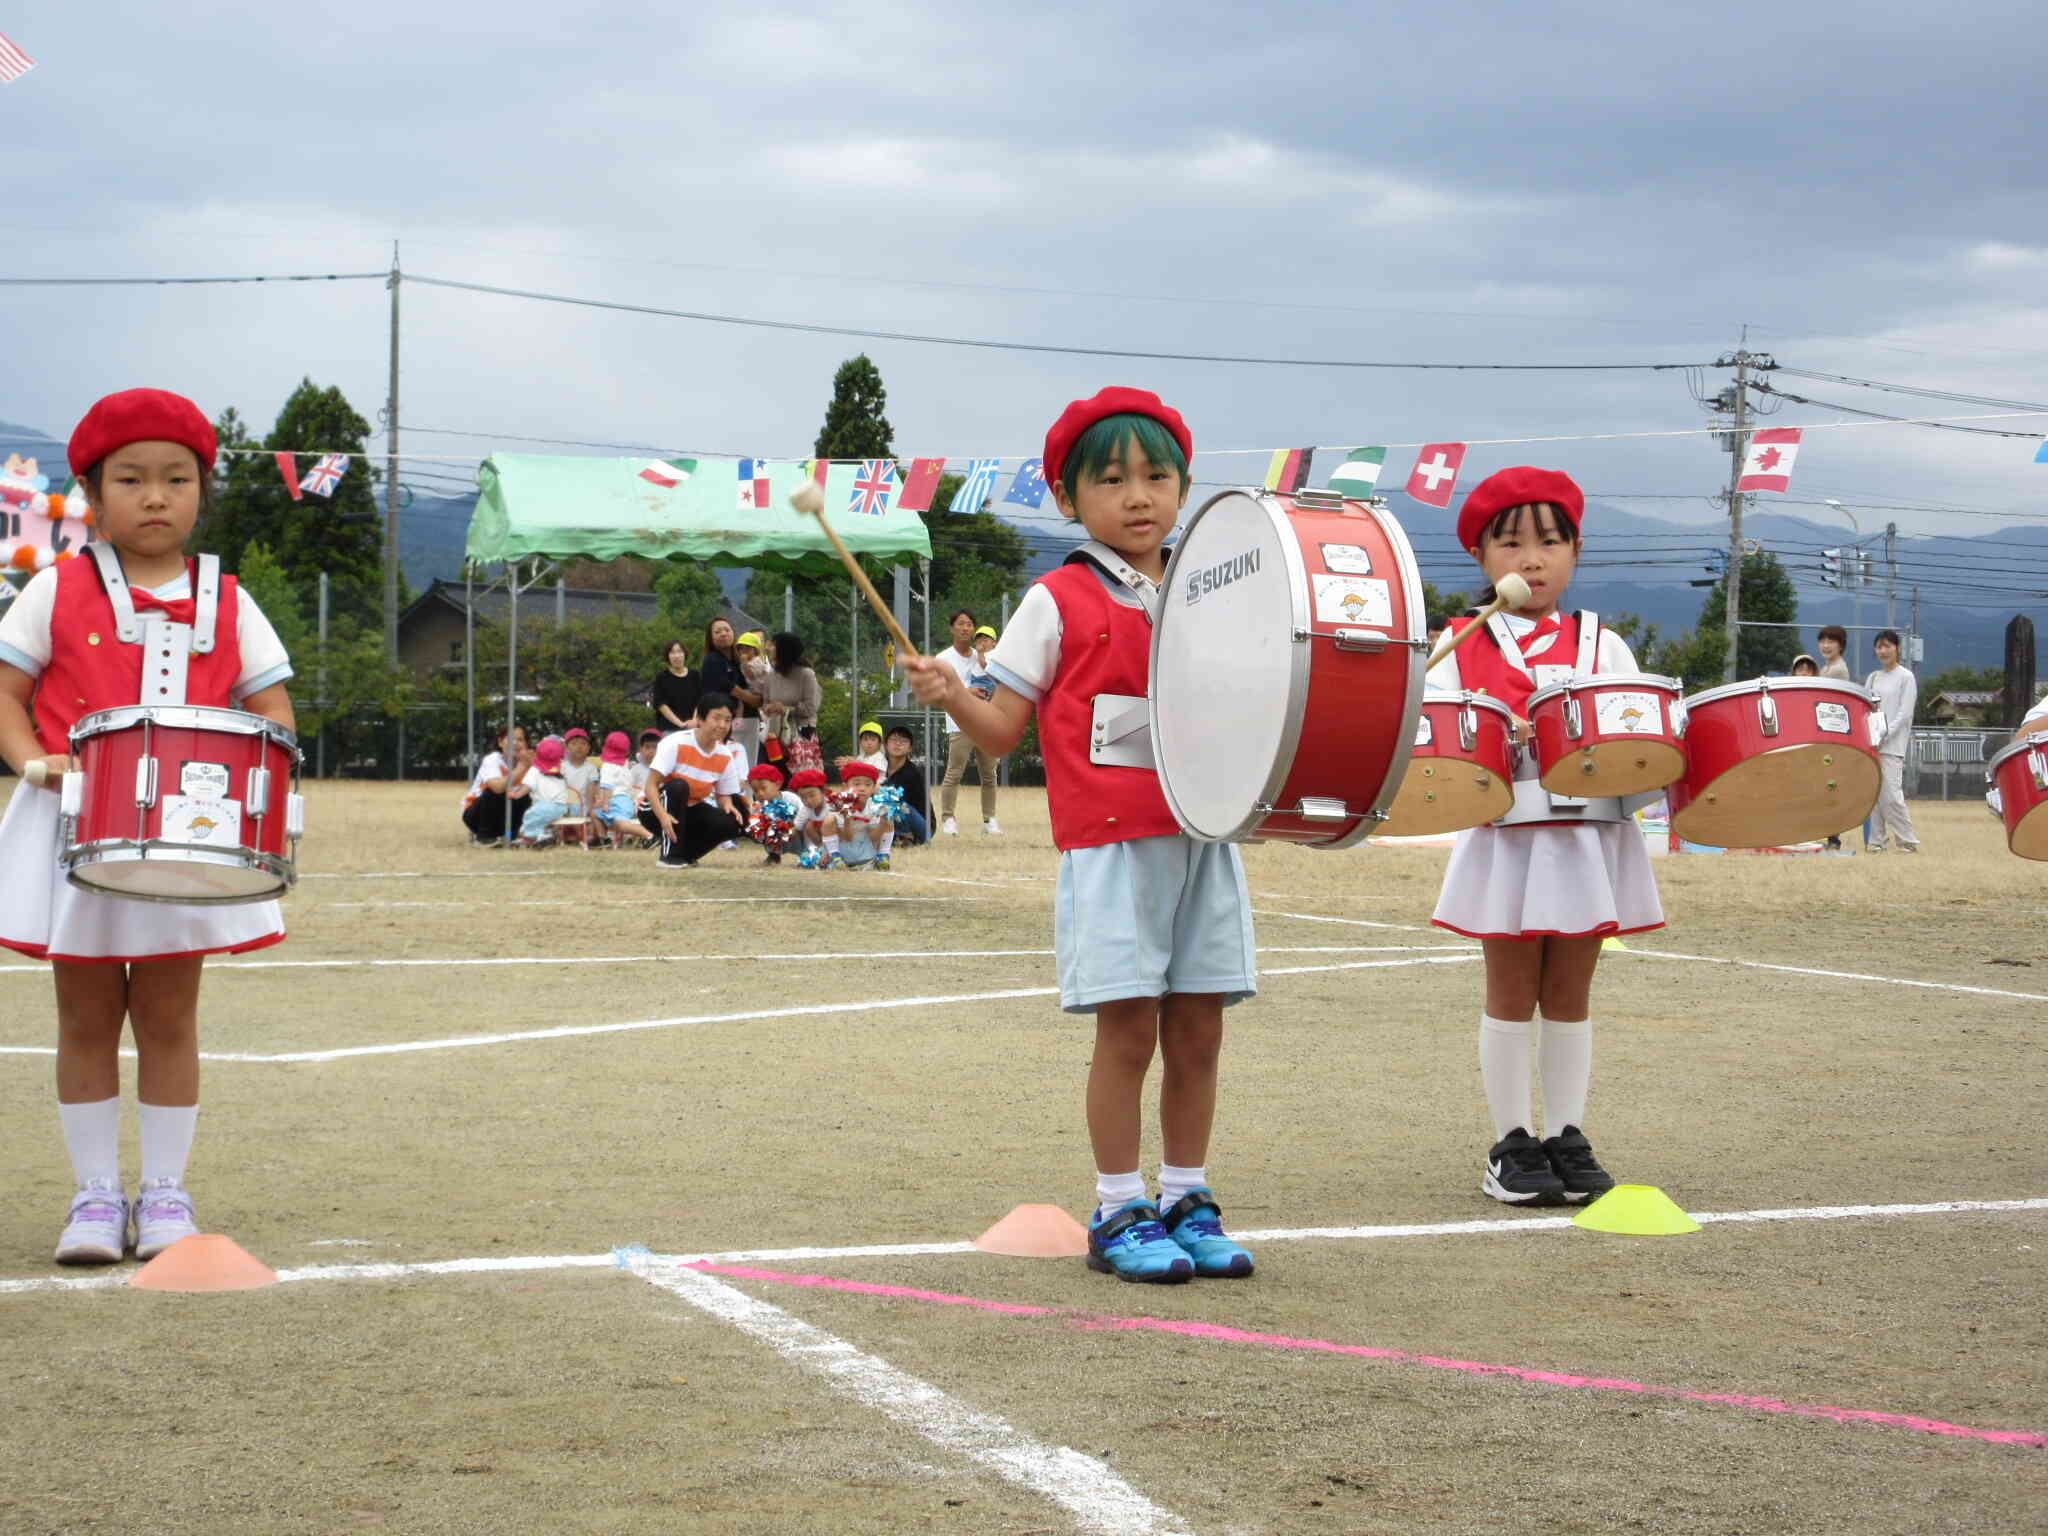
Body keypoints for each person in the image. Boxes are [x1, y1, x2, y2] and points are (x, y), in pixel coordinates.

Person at [907, 386, 1257, 1285]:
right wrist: (955, 699)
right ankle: (1117, 1210)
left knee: (1200, 1031)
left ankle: (1187, 1196)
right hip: (1110, 847)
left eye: (1157, 476)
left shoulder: (1216, 589)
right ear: (1068, 498)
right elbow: (1002, 733)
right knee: (1128, 1034)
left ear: (1183, 488)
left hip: (1203, 838)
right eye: (1111, 479)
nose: (1137, 496)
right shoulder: (1053, 600)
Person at [0, 388, 296, 1264]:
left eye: (177, 478)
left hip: (186, 850)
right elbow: (6, 699)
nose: (155, 496)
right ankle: (95, 1196)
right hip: (73, 837)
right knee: (84, 1015)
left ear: (203, 490)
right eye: (130, 478)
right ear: (91, 492)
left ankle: (165, 1193)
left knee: (169, 1016)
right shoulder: (53, 589)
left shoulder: (230, 599)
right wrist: (32, 763)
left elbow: (272, 708)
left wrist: (261, 774)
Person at [1426, 466, 1664, 1209]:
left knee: (1569, 992)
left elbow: (1640, 735)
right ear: (1481, 558)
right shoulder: (1456, 645)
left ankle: (1566, 1134)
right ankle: (1511, 1142)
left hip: (1591, 835)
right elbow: (1433, 737)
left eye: (1551, 542)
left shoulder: (1606, 643)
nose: (1532, 559)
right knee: (1509, 990)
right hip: (1508, 836)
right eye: (1511, 543)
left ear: (1576, 551)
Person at [646, 691, 745, 868]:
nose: (722, 725)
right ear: (700, 719)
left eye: (727, 720)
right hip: (654, 808)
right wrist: (662, 816)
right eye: (717, 718)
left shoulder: (725, 755)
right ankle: (669, 857)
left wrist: (728, 805)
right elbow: (650, 785)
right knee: (678, 786)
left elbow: (723, 795)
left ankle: (686, 855)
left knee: (733, 820)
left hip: (689, 812)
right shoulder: (675, 743)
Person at [935, 609, 1003, 836]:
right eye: (961, 624)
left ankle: (989, 820)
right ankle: (948, 818)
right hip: (959, 722)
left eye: (969, 624)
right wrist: (967, 692)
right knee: (954, 773)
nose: (965, 628)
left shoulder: (982, 654)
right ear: (952, 628)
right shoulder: (943, 659)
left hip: (985, 722)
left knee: (989, 774)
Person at [1865, 629, 1920, 852]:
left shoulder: (1906, 677)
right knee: (1874, 795)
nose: (1883, 651)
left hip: (1892, 745)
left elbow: (1904, 714)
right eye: (1879, 646)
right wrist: (1870, 736)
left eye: (1887, 646)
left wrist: (1884, 734)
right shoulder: (1873, 677)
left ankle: (1907, 840)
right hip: (1872, 744)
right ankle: (1876, 842)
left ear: (1897, 648)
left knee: (1891, 795)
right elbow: (1866, 709)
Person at [758, 631, 821, 771]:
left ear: (784, 649)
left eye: (773, 644)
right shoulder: (771, 676)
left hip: (801, 733)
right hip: (774, 734)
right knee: (775, 775)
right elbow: (765, 704)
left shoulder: (806, 674)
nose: (768, 647)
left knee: (801, 777)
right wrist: (768, 709)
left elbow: (810, 708)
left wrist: (784, 709)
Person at [461, 723, 530, 845]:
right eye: (510, 738)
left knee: (527, 794)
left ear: (526, 744)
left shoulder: (530, 763)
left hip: (505, 819)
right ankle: (484, 837)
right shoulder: (492, 760)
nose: (515, 743)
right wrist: (522, 767)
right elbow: (497, 788)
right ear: (500, 742)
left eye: (520, 739)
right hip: (477, 814)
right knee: (495, 791)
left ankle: (512, 836)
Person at [831, 762, 897, 871]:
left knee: (888, 817)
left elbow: (873, 837)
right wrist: (847, 820)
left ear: (873, 788)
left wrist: (883, 822)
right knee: (829, 820)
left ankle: (883, 855)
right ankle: (835, 858)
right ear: (845, 787)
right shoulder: (840, 806)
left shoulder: (874, 806)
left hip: (865, 848)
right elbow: (846, 837)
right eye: (856, 784)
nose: (862, 788)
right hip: (844, 848)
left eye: (868, 784)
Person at [594, 731, 653, 846]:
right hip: (627, 802)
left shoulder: (607, 766)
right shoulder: (625, 765)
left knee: (620, 824)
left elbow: (607, 786)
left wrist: (605, 803)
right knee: (596, 813)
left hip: (615, 801)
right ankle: (604, 839)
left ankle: (649, 835)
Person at [517, 737, 580, 845]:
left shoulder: (535, 770)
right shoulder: (562, 767)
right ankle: (537, 835)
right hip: (562, 807)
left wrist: (516, 794)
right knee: (535, 818)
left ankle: (538, 836)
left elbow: (526, 786)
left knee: (530, 815)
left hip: (544, 806)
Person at [882, 724, 931, 844]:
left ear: (910, 748)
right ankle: (894, 837)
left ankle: (906, 836)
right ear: (885, 744)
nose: (898, 744)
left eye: (903, 741)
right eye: (893, 740)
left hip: (921, 825)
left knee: (893, 800)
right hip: (892, 819)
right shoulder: (880, 766)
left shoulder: (912, 772)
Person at [650, 639, 702, 736]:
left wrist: (694, 721)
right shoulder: (661, 677)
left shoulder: (695, 675)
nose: (676, 656)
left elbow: (700, 700)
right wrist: (680, 724)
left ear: (684, 654)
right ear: (667, 656)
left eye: (679, 652)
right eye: (672, 653)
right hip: (669, 729)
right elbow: (661, 704)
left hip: (693, 728)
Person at [558, 728, 600, 817]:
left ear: (588, 748)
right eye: (574, 743)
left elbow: (592, 789)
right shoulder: (561, 767)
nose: (579, 747)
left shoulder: (591, 768)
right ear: (566, 747)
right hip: (564, 807)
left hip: (585, 807)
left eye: (583, 744)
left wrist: (590, 810)